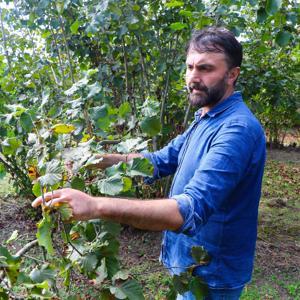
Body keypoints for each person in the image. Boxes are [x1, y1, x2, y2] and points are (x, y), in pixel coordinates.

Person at [32, 27, 266, 299]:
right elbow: (159, 161)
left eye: (205, 69)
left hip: (211, 276)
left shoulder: (236, 130)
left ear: (232, 75)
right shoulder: (207, 117)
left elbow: (189, 210)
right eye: (190, 67)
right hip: (191, 267)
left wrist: (95, 205)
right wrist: (93, 159)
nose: (193, 77)